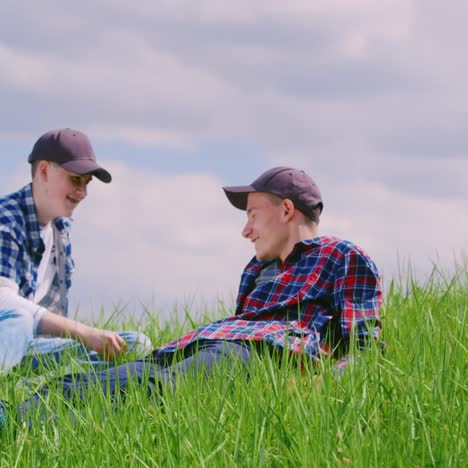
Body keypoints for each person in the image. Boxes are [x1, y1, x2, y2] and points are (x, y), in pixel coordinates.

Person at [3, 166, 382, 425]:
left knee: (152, 393)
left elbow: (364, 349)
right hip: (197, 349)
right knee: (77, 384)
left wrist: (319, 385)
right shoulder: (255, 270)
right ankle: (11, 419)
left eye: (252, 215)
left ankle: (38, 432)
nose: (245, 230)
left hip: (259, 356)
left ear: (286, 210)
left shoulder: (342, 257)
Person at [0, 128, 152, 375]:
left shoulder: (60, 228)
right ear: (44, 171)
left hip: (32, 348)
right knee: (20, 320)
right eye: (75, 180)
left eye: (86, 183)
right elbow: (2, 300)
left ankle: (35, 392)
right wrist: (84, 332)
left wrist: (89, 340)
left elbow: (55, 315)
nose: (82, 193)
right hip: (9, 335)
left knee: (134, 344)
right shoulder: (6, 220)